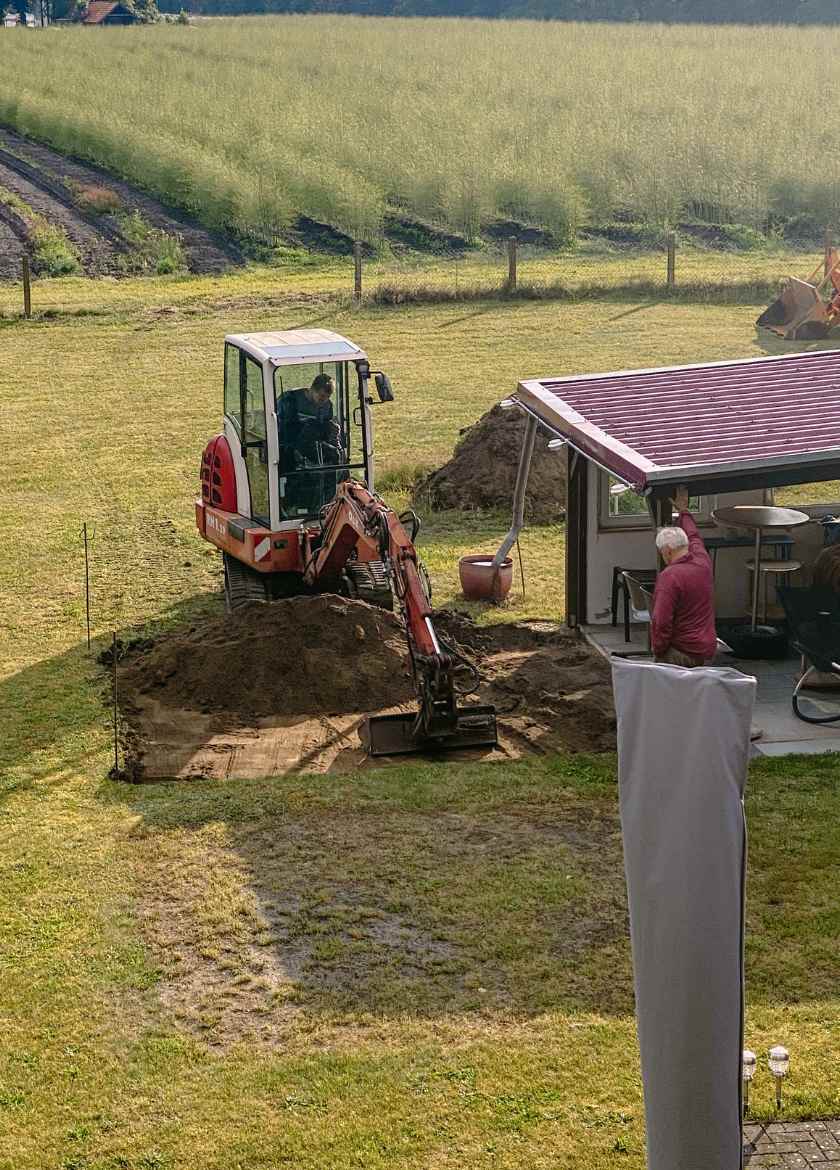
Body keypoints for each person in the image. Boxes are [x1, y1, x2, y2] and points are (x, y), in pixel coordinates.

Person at [650, 486, 718, 667]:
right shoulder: (702, 560)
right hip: (705, 650)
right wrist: (684, 511)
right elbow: (694, 535)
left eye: (662, 553)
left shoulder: (669, 577)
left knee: (669, 692)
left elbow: (661, 621)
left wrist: (658, 651)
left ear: (667, 551)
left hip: (681, 651)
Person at [277, 372, 340, 466]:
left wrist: (332, 429)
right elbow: (280, 428)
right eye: (322, 396)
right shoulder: (289, 399)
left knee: (334, 454)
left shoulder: (327, 405)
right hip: (289, 443)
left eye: (328, 397)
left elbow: (325, 429)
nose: (324, 401)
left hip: (313, 444)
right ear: (312, 389)